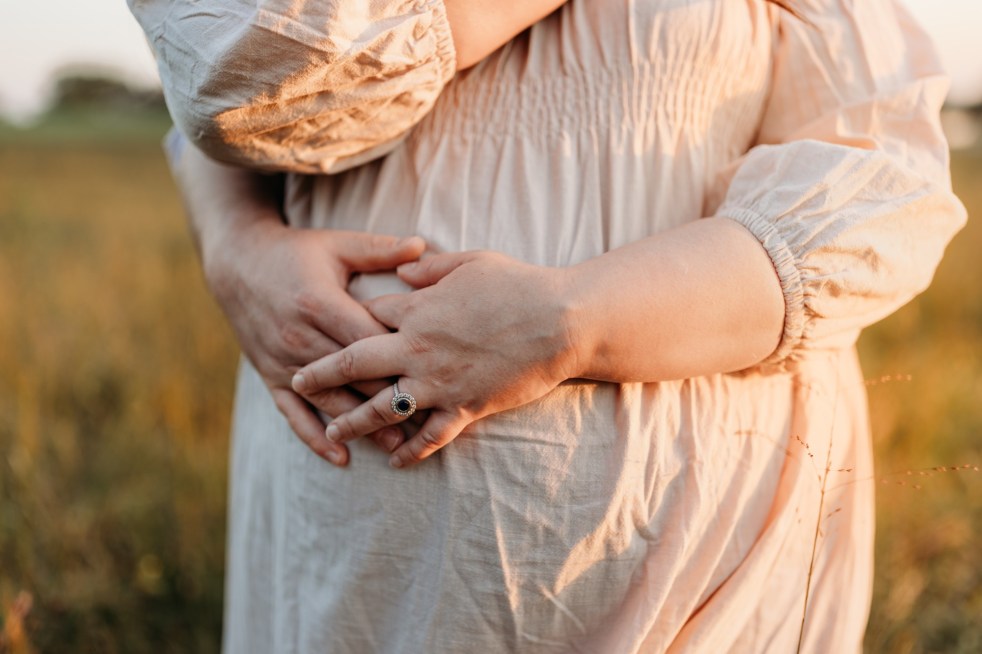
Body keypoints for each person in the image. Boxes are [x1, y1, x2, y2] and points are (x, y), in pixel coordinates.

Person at [129, 0, 965, 651]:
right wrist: (236, 242)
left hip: (696, 565)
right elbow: (239, 74)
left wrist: (573, 322)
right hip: (364, 562)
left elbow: (884, 182)